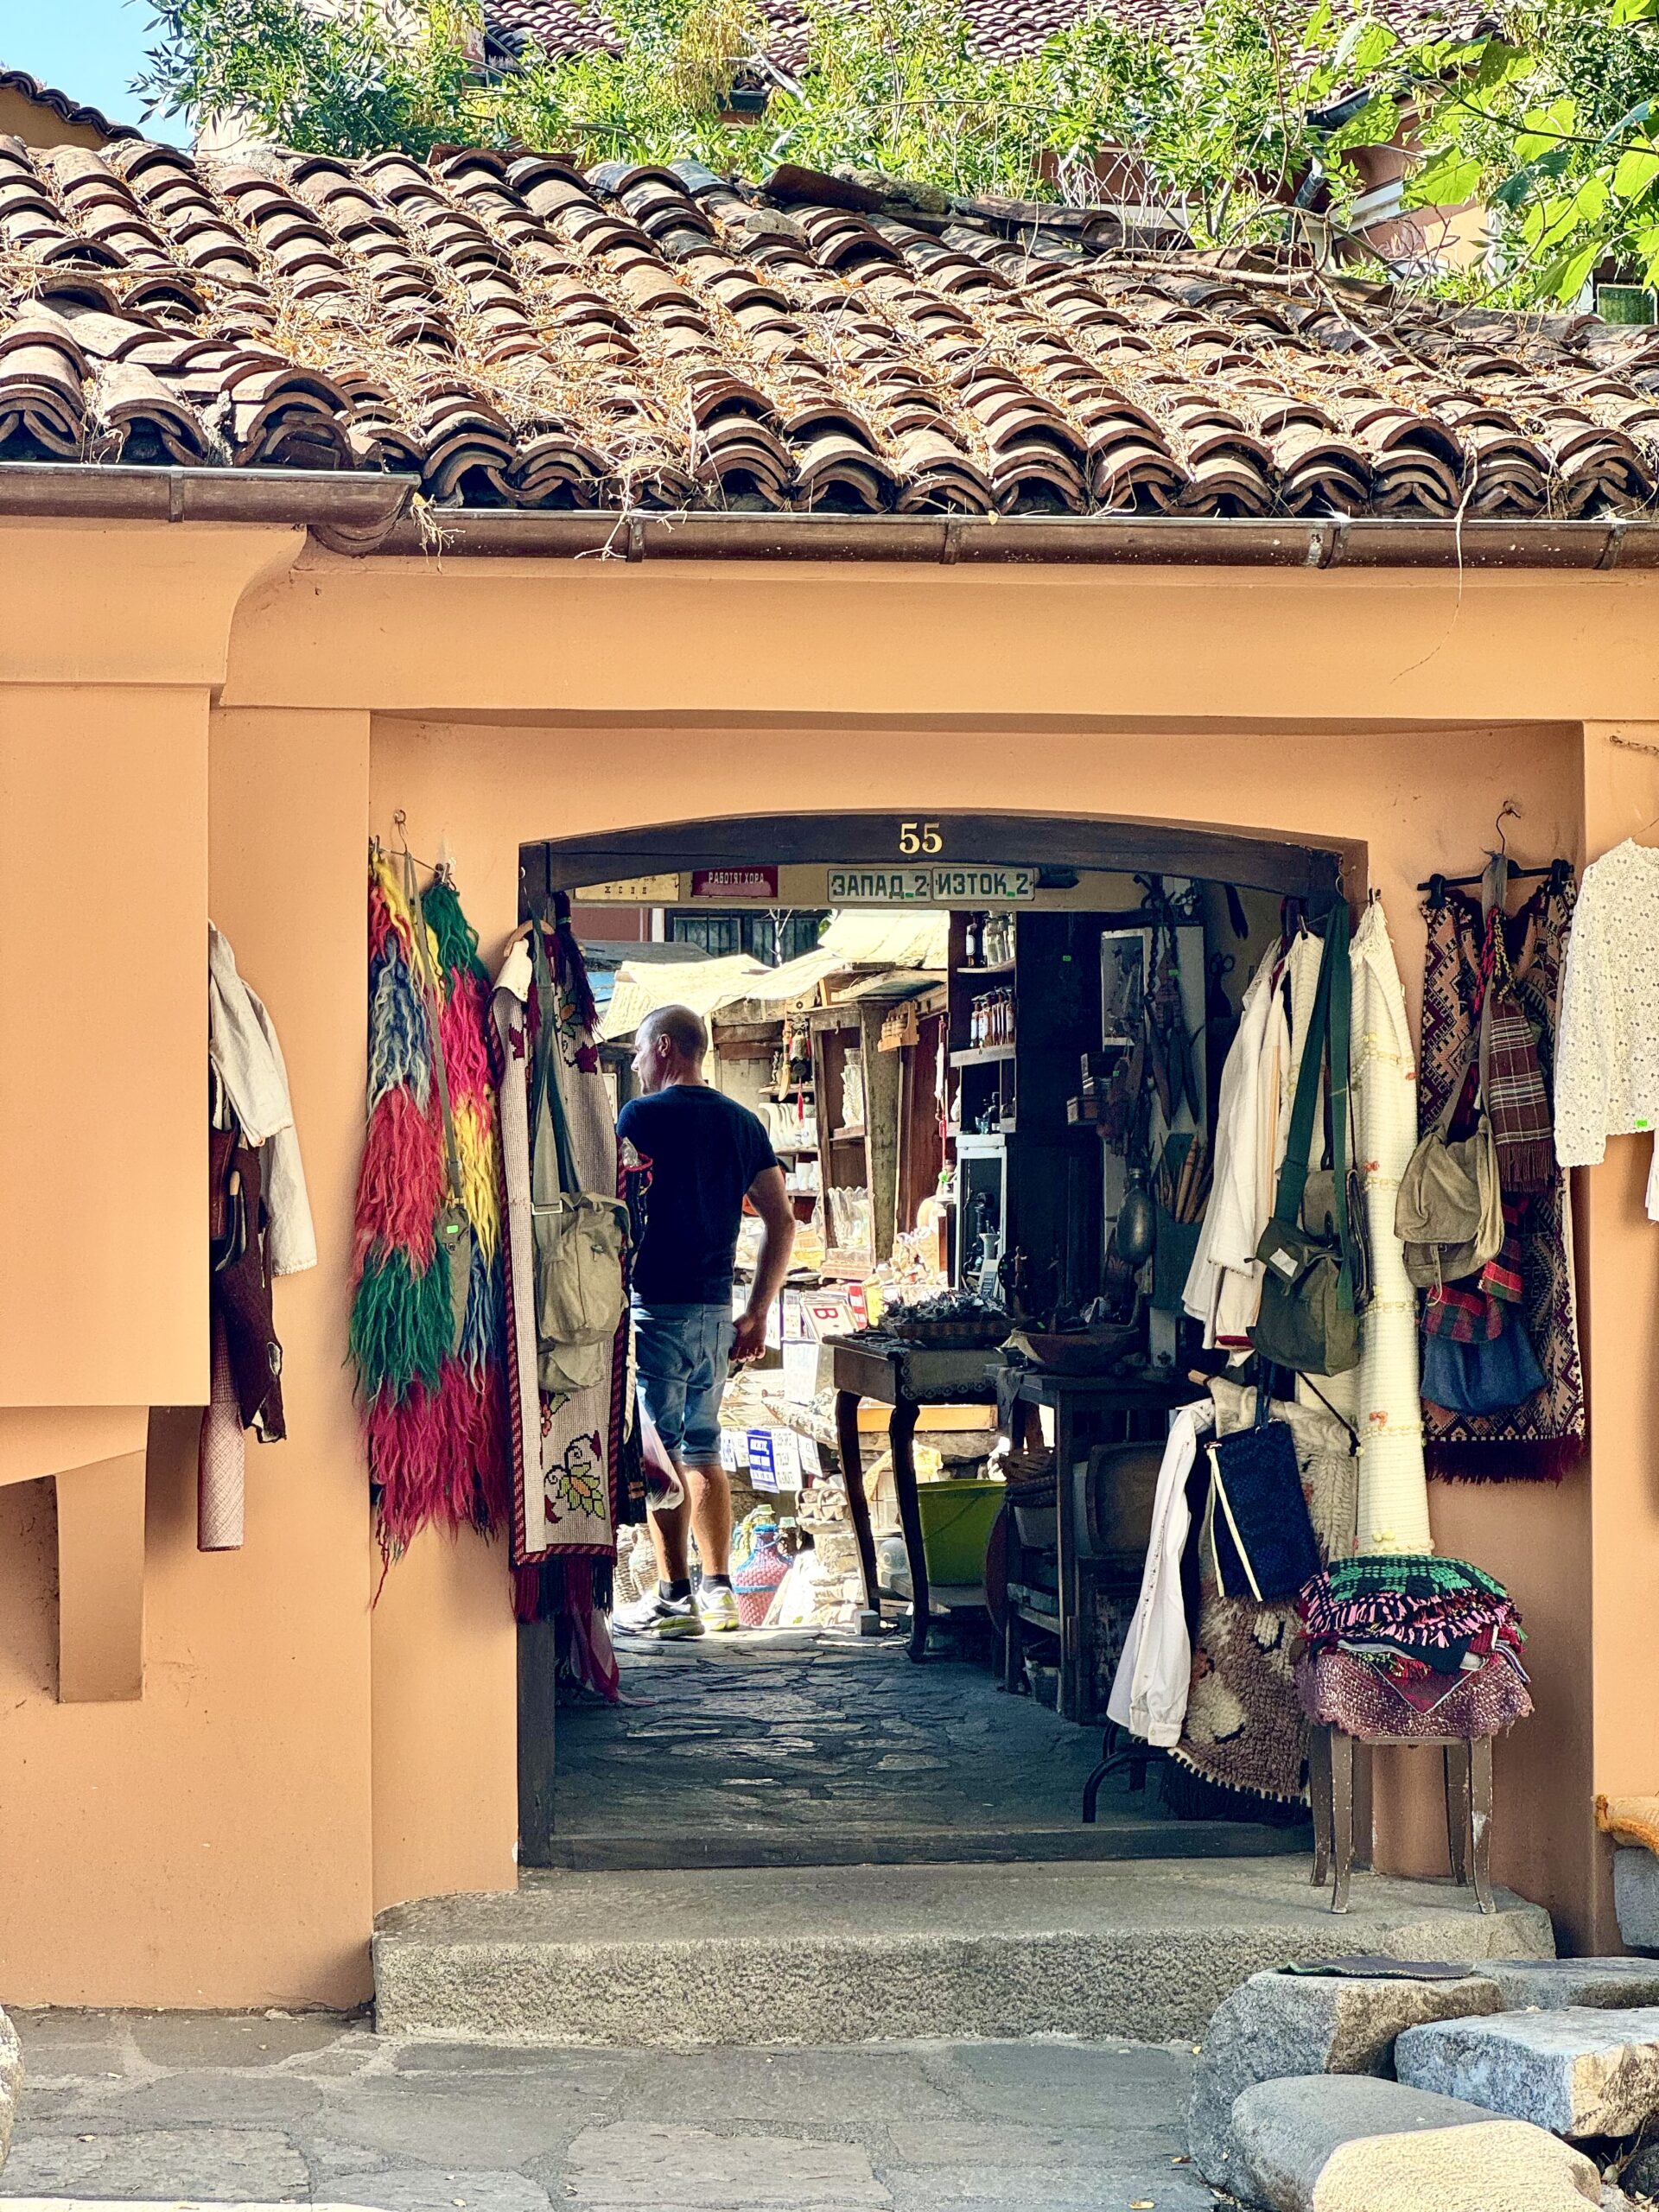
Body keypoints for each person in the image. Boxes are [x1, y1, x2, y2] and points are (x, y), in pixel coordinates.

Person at [614, 1004, 796, 1637]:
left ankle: (672, 1597)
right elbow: (783, 1220)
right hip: (718, 1309)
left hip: (656, 1305)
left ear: (665, 1048)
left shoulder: (640, 1117)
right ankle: (718, 1594)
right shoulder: (742, 1123)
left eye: (638, 1051)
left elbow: (612, 1207)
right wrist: (758, 1309)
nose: (635, 1064)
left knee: (659, 1454)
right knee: (702, 1445)